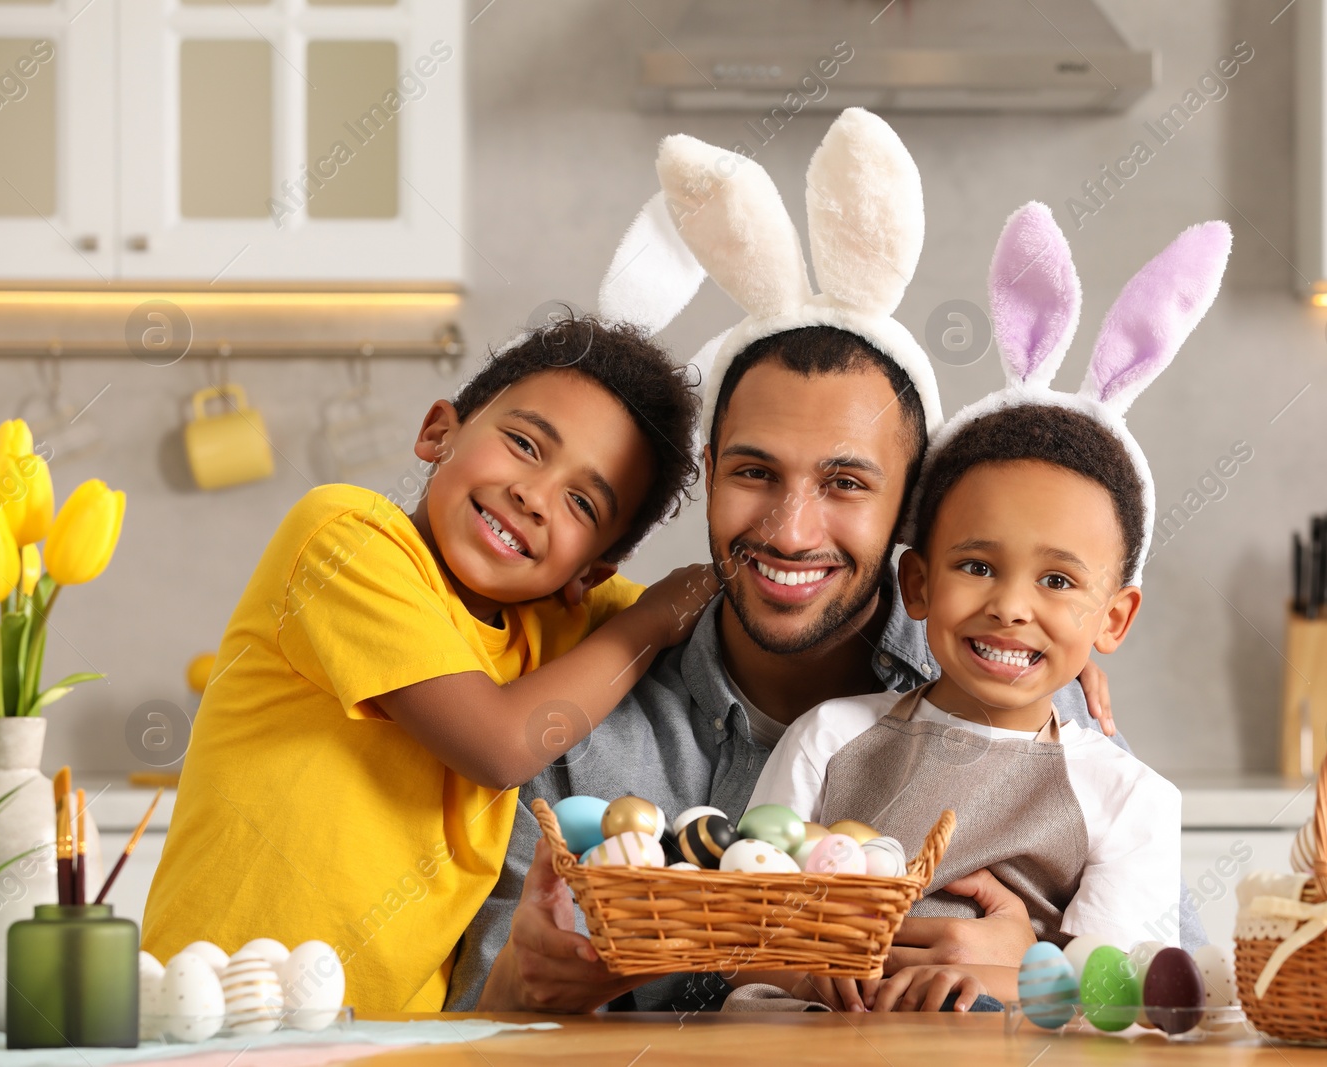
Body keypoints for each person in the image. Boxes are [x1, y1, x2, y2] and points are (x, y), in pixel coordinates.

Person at [450, 113, 1198, 1014]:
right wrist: (522, 984)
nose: (792, 529)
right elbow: (474, 1020)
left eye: (846, 482)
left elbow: (1169, 979)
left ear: (909, 521)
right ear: (708, 476)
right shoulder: (585, 720)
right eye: (754, 472)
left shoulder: (1023, 698)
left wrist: (1030, 958)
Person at [737, 204, 1232, 1014]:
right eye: (977, 565)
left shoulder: (1129, 798)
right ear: (919, 584)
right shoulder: (830, 740)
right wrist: (807, 969)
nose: (1010, 607)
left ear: (1115, 617)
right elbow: (746, 930)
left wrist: (1011, 969)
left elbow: (1112, 995)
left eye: (1060, 582)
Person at [141, 319, 714, 1011]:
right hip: (215, 1015)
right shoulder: (345, 539)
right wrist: (650, 621)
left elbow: (718, 615)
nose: (534, 495)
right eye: (525, 444)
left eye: (581, 502)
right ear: (439, 431)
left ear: (591, 569)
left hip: (392, 1043)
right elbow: (499, 744)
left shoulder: (561, 619)